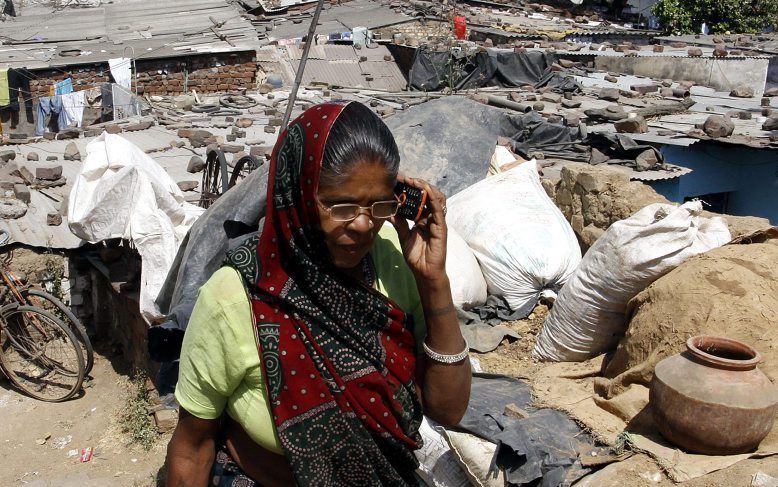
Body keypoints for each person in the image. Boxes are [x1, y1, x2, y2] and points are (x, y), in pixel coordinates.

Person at [165, 101, 471, 487]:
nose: (362, 225)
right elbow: (192, 447)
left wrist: (433, 281)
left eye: (379, 205)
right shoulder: (235, 297)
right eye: (340, 206)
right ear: (299, 195)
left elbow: (448, 410)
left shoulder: (394, 259)